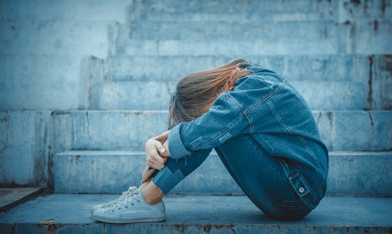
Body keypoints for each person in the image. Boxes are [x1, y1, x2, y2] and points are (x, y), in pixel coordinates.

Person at [91, 59, 329, 223]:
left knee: (212, 127)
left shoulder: (254, 86)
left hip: (297, 194)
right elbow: (208, 124)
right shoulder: (249, 81)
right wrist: (155, 141)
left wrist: (163, 145)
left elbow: (211, 125)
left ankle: (149, 198)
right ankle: (146, 195)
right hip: (295, 187)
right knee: (210, 126)